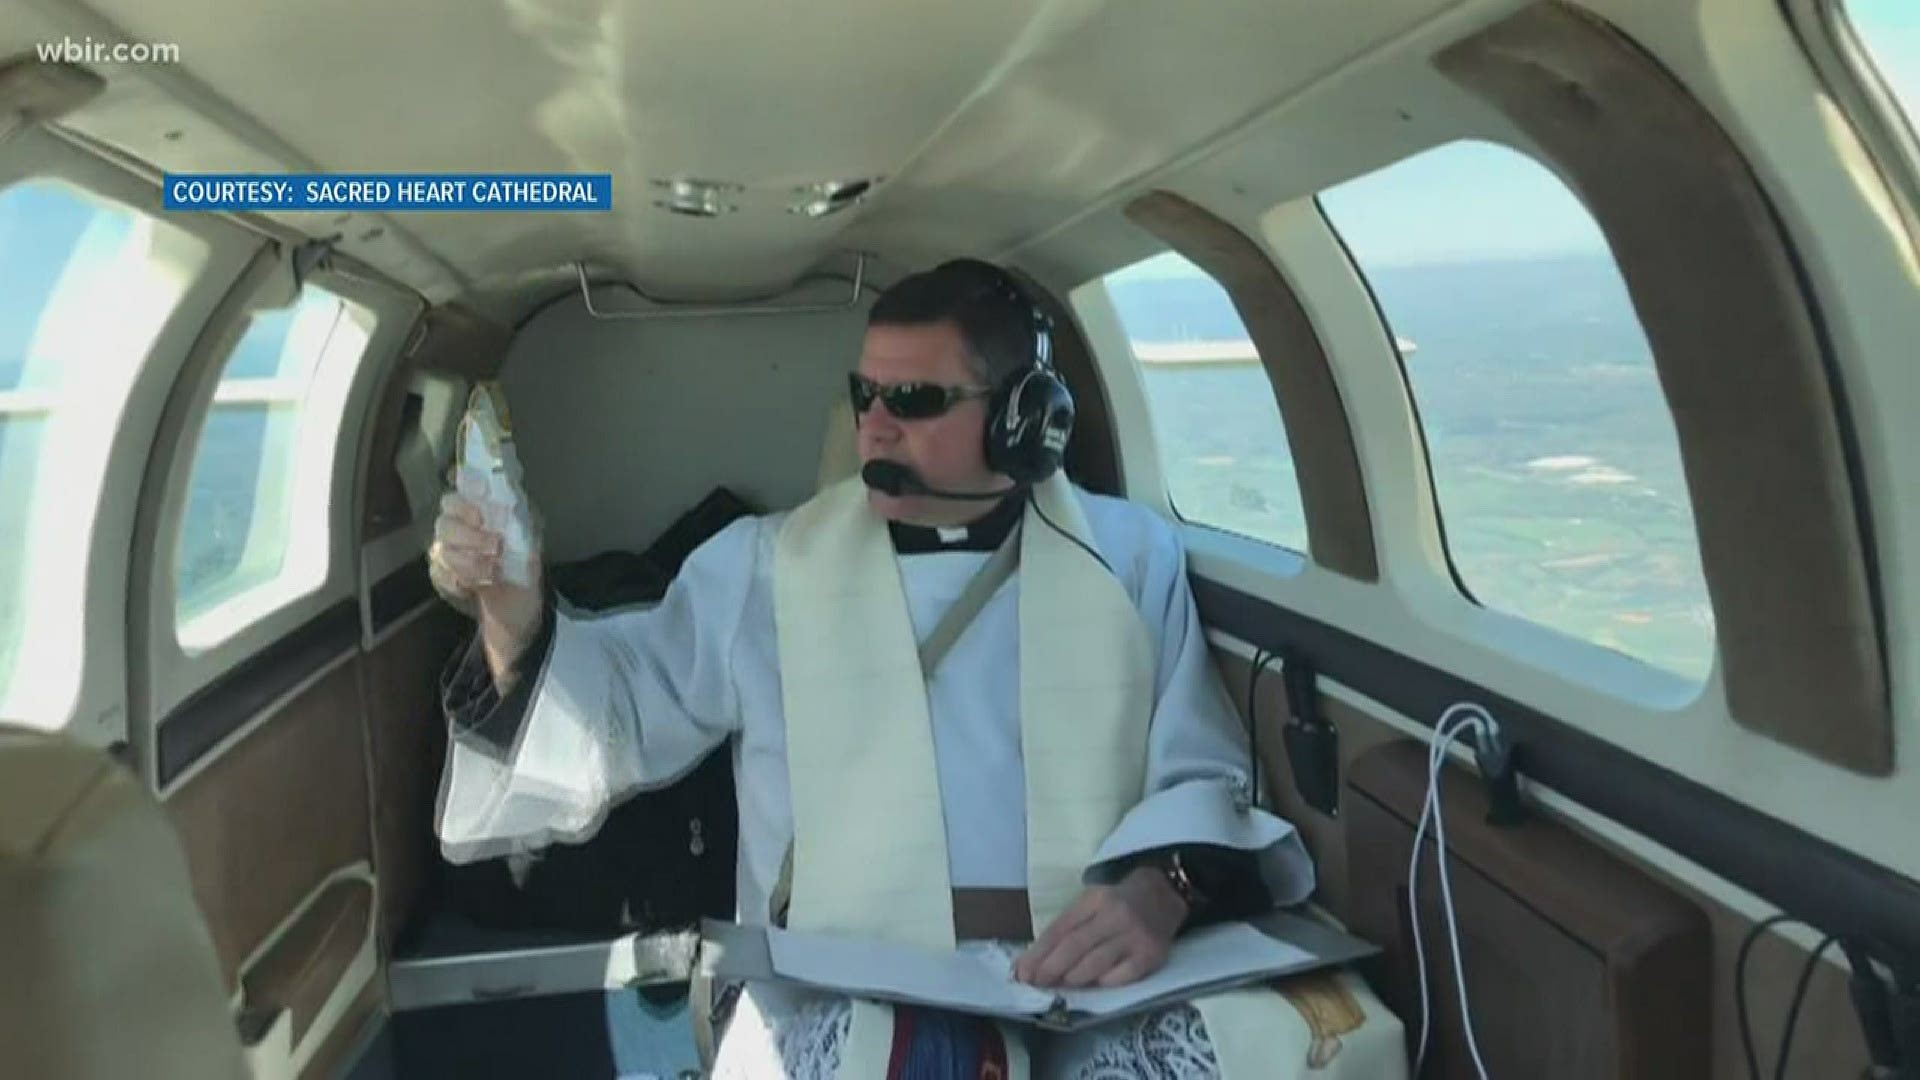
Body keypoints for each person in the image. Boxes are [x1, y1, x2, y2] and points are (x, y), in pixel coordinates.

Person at [428, 259, 1389, 1079]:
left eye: (915, 401)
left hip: (1088, 985)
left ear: (1024, 423)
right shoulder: (763, 567)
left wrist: (1161, 886)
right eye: (866, 396)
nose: (874, 429)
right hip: (844, 982)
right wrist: (515, 621)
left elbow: (1202, 770)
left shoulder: (1128, 559)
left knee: (1306, 1043)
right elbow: (625, 711)